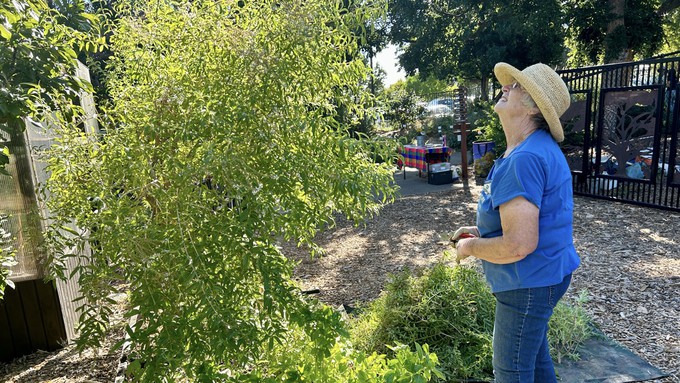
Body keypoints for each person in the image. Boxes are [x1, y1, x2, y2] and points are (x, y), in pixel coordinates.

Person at [452, 62, 580, 383]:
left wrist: (469, 247)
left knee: (512, 373)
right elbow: (534, 220)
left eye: (517, 86)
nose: (506, 87)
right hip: (545, 277)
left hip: (527, 284)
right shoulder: (533, 150)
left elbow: (519, 244)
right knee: (536, 365)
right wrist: (483, 233)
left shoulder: (524, 159)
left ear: (534, 108)